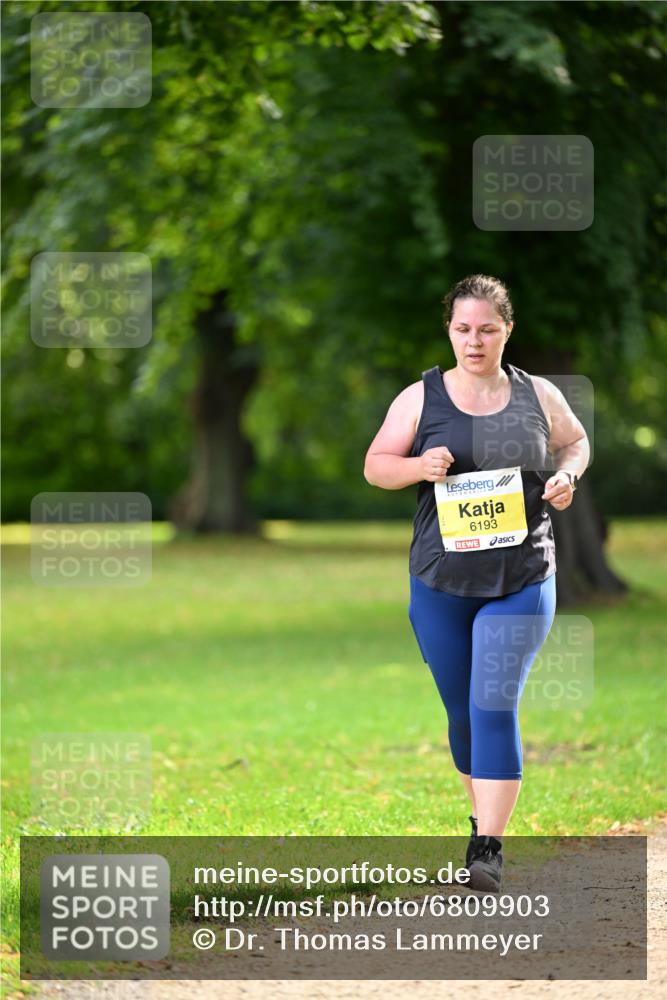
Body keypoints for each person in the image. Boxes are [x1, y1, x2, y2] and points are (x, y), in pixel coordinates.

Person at [363, 274, 590, 893]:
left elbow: (576, 443)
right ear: (450, 332)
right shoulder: (421, 399)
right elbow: (375, 466)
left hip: (522, 577)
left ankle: (487, 850)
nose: (474, 339)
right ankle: (479, 818)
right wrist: (417, 465)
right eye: (463, 329)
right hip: (440, 581)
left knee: (493, 701)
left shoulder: (539, 395)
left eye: (487, 329)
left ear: (507, 331)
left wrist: (567, 476)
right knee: (462, 712)